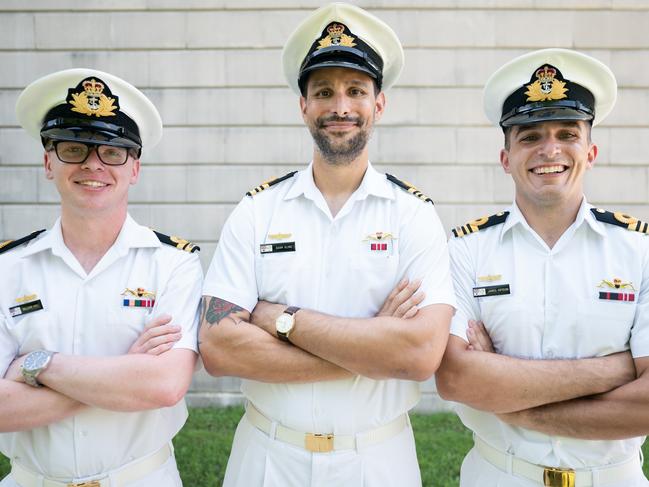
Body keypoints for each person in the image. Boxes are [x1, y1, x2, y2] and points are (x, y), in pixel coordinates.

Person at [198, 3, 456, 486]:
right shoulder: (257, 212)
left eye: (356, 90)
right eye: (324, 92)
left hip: (377, 461)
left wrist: (282, 320)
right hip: (268, 457)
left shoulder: (413, 216)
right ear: (304, 106)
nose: (340, 107)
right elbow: (219, 348)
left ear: (379, 104)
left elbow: (420, 354)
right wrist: (374, 348)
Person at [435, 48, 649, 486]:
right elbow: (457, 378)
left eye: (567, 133)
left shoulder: (639, 250)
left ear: (591, 151)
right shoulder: (464, 250)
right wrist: (616, 369)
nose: (549, 149)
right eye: (530, 136)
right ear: (506, 157)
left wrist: (507, 394)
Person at [0, 69, 202, 486]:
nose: (93, 164)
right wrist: (126, 375)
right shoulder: (8, 268)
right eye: (74, 148)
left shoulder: (172, 264)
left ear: (135, 169)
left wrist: (37, 365)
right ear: (48, 163)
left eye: (113, 152)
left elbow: (163, 386)